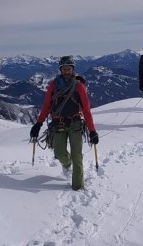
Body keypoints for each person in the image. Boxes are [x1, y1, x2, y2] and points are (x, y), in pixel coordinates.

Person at [30, 57, 98, 190]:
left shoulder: (79, 86)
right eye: (64, 69)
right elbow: (47, 106)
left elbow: (86, 110)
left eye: (69, 69)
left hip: (75, 123)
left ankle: (78, 187)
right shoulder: (54, 85)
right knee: (59, 152)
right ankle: (67, 164)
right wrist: (38, 124)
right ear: (61, 70)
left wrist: (92, 131)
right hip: (58, 123)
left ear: (73, 70)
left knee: (76, 155)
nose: (67, 71)